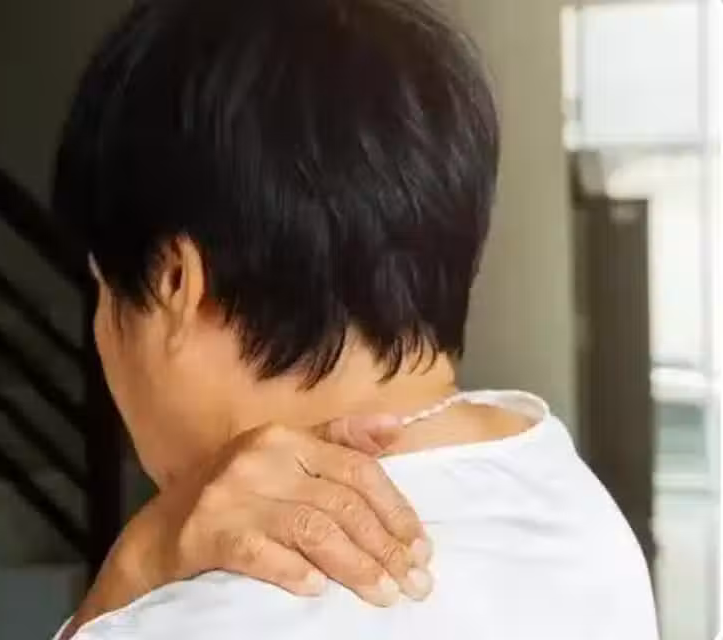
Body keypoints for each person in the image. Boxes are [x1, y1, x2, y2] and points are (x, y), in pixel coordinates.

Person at [51, 0, 660, 637]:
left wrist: (135, 569)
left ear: (177, 284)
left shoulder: (200, 619)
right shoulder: (574, 507)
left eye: (103, 291)